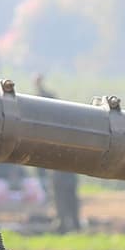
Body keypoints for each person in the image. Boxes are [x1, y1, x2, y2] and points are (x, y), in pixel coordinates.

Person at [33, 74, 81, 233]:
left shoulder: (53, 118)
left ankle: (67, 223)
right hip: (65, 162)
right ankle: (71, 223)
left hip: (62, 162)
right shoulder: (61, 117)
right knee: (66, 193)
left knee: (63, 193)